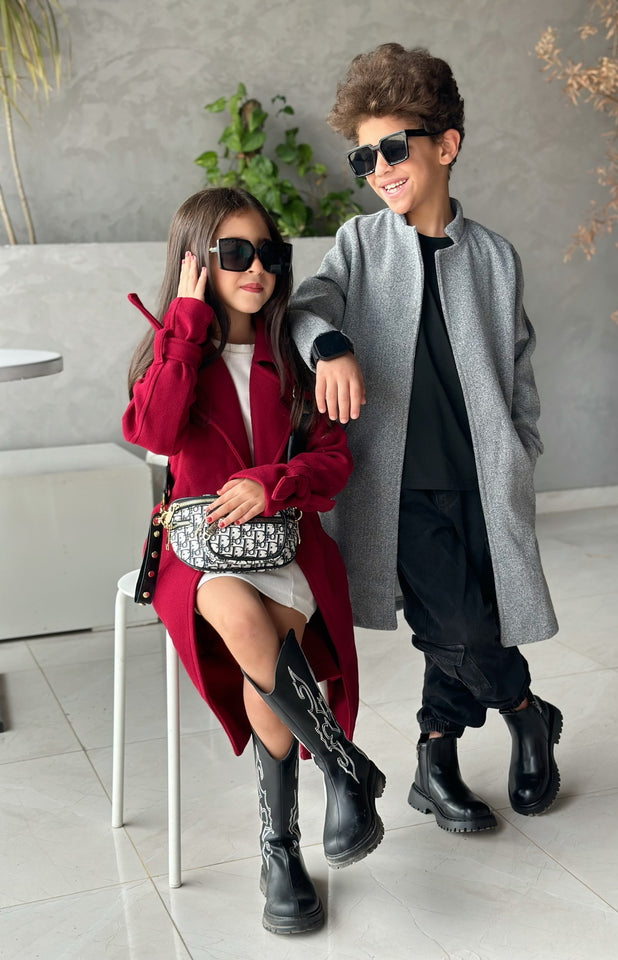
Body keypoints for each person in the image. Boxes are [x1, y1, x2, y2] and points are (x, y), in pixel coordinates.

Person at [290, 43, 562, 834]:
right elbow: (305, 309)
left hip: (484, 481)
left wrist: (521, 453)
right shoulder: (360, 244)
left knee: (460, 620)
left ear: (445, 145)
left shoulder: (495, 258)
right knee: (459, 626)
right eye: (363, 156)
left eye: (393, 148)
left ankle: (435, 759)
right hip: (397, 485)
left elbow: (518, 372)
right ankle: (527, 712)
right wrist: (329, 346)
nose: (378, 168)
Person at [122, 187, 385, 935]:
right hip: (197, 555)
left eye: (269, 253)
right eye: (235, 253)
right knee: (238, 614)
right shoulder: (173, 352)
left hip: (285, 541)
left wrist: (272, 483)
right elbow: (154, 432)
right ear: (195, 262)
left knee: (265, 644)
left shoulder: (295, 358)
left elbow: (334, 461)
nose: (256, 268)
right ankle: (338, 772)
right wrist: (184, 323)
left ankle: (282, 848)